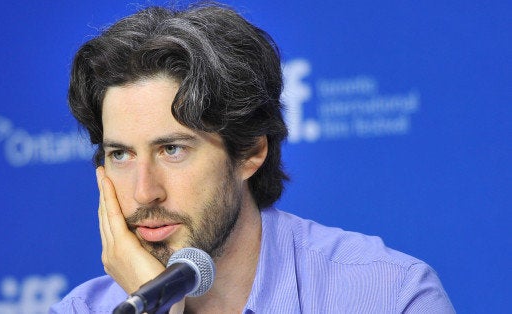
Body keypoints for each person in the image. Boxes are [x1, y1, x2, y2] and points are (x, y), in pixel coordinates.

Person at [50, 3, 454, 313]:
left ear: (250, 152)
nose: (144, 193)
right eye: (120, 154)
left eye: (172, 149)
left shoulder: (387, 295)